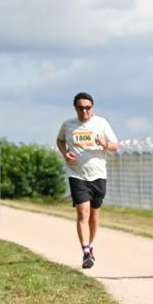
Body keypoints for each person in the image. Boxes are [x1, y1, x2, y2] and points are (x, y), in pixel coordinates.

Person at [56, 91, 119, 269]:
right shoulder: (68, 125)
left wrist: (104, 143)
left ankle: (91, 245)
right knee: (83, 213)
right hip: (77, 174)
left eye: (88, 108)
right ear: (75, 108)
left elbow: (115, 146)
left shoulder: (101, 123)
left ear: (92, 108)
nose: (84, 111)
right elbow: (60, 140)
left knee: (94, 214)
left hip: (98, 175)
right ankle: (85, 253)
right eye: (81, 108)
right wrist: (65, 153)